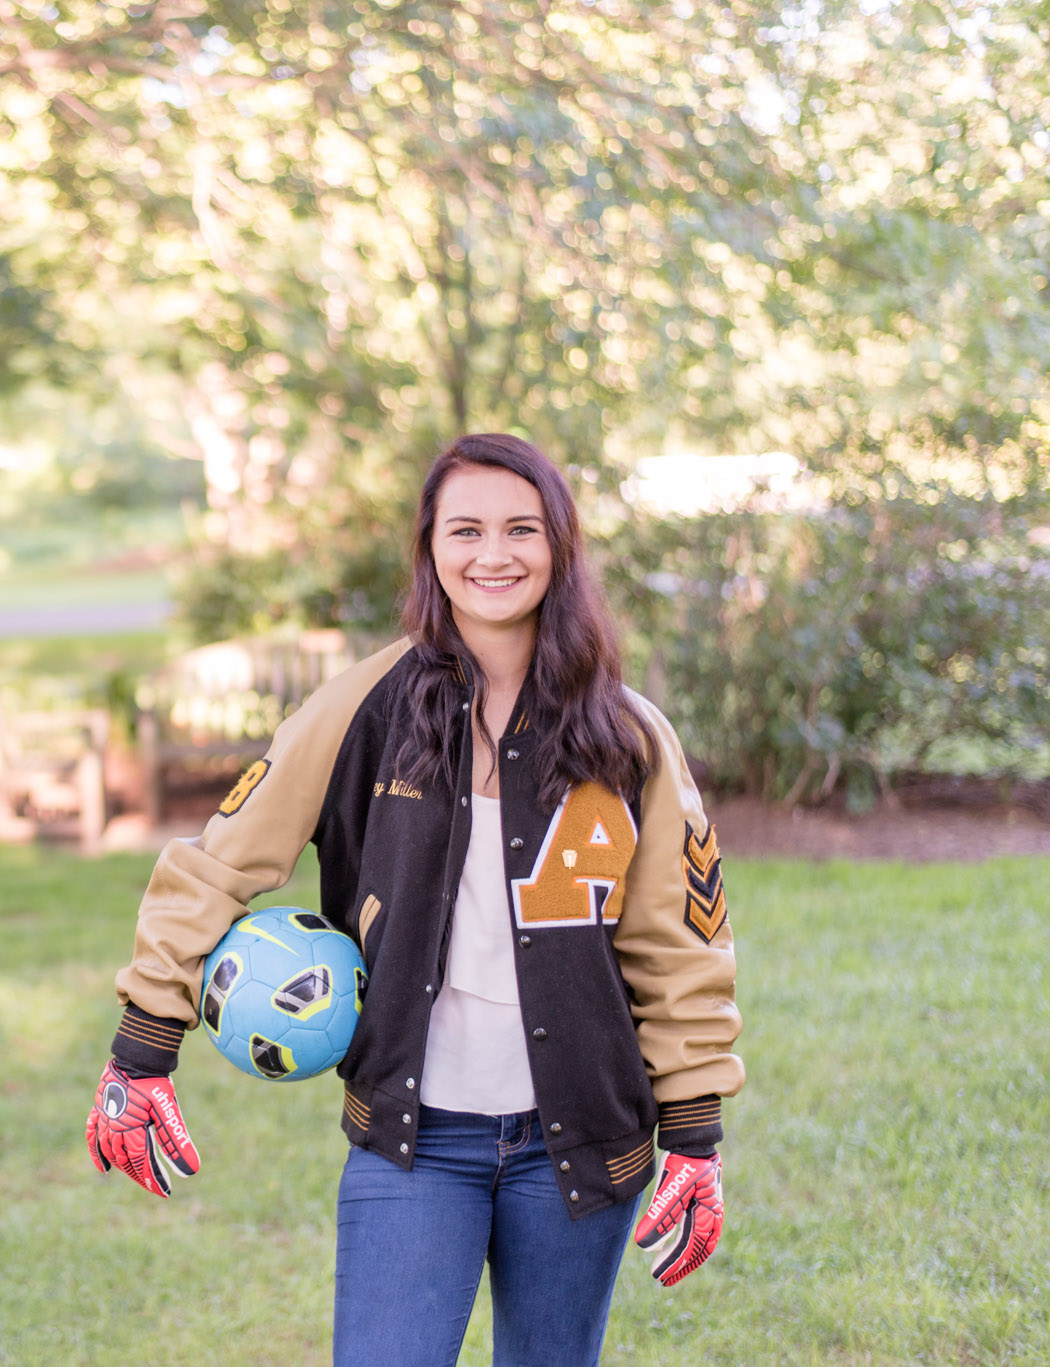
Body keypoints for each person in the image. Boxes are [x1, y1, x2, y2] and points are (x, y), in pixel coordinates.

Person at [84, 433, 743, 1367]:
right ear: (431, 547)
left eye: (521, 529)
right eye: (464, 529)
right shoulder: (363, 707)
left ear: (559, 545)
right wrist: (143, 1046)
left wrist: (696, 1131)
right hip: (414, 1139)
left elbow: (677, 948)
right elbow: (216, 862)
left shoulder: (628, 737)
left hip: (583, 1146)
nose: (493, 554)